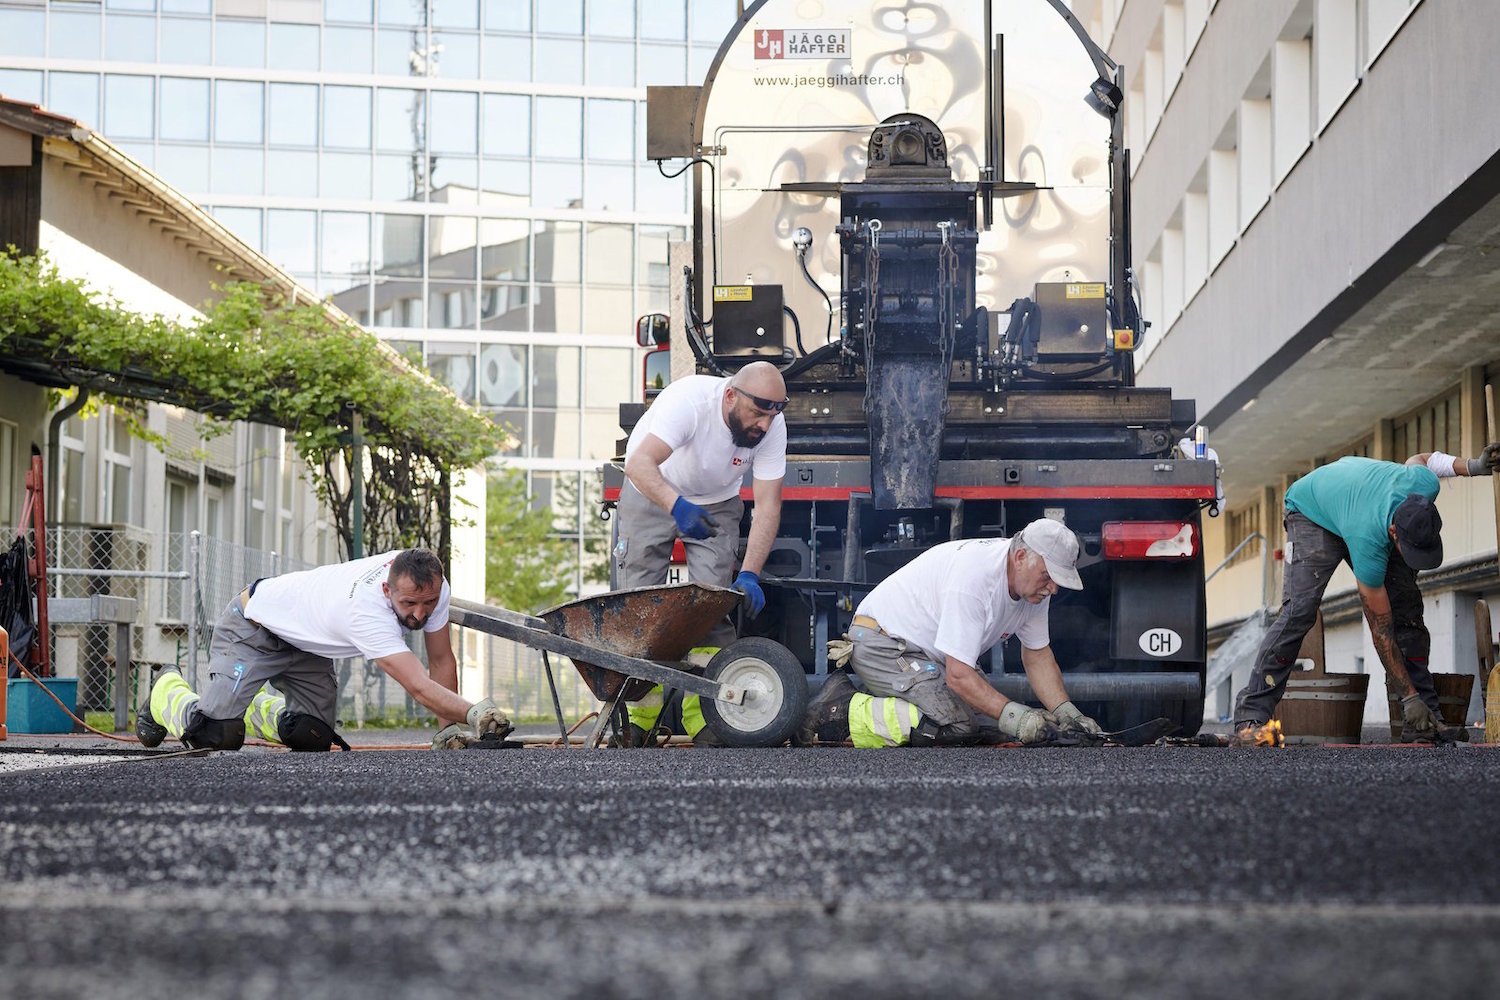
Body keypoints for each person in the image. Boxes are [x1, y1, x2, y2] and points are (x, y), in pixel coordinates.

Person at [1231, 445, 1500, 747]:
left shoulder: (1423, 486)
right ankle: (1251, 716)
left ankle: (1425, 722)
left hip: (1356, 499)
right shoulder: (1368, 541)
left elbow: (1423, 460)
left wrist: (1474, 466)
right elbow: (1380, 631)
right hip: (1312, 510)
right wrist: (1408, 696)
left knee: (1407, 609)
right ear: (1395, 532)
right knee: (1300, 611)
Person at [136, 548, 510, 752]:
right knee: (216, 735)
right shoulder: (365, 612)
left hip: (305, 643)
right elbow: (417, 685)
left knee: (311, 737)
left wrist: (448, 731)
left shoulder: (428, 582)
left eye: (428, 603)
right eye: (410, 604)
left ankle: (252, 706)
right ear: (386, 590)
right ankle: (164, 691)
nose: (420, 613)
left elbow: (441, 659)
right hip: (255, 627)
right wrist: (473, 712)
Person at [796, 518, 1102, 748]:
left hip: (929, 654)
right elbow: (958, 675)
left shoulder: (1032, 588)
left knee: (993, 725)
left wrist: (1067, 713)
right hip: (884, 642)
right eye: (1048, 577)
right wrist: (1021, 719)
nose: (1053, 588)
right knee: (960, 726)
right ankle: (839, 708)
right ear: (1021, 557)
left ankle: (898, 695)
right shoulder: (977, 578)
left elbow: (1037, 655)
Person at [613, 361, 788, 745]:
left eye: (772, 416)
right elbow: (638, 464)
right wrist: (676, 506)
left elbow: (768, 504)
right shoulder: (688, 402)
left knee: (712, 608)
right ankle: (640, 720)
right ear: (730, 396)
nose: (764, 425)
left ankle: (706, 717)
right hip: (652, 490)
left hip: (718, 501)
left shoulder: (772, 426)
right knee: (641, 608)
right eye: (757, 413)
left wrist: (750, 573)